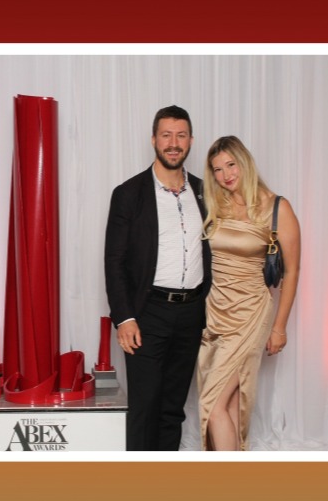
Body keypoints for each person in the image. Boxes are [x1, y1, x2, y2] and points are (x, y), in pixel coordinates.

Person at [104, 106, 212, 451]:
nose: (173, 143)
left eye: (181, 135)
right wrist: (124, 317)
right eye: (166, 135)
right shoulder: (129, 193)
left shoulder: (205, 192)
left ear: (191, 141)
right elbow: (114, 261)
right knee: (145, 407)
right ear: (154, 139)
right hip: (147, 313)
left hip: (191, 314)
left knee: (172, 408)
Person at [195, 136, 300, 451]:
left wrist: (279, 327)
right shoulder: (216, 205)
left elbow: (292, 271)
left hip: (250, 312)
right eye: (217, 169)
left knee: (212, 403)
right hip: (213, 313)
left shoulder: (277, 207)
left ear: (245, 163)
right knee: (227, 404)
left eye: (231, 165)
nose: (225, 175)